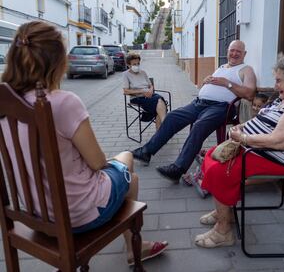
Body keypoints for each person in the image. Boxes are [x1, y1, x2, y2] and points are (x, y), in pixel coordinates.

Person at [0, 21, 168, 265]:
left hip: (34, 211)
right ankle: (134, 247)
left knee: (123, 163)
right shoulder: (62, 102)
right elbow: (98, 162)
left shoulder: (5, 105)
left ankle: (132, 244)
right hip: (77, 215)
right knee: (128, 165)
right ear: (58, 62)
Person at [194, 55, 284, 248]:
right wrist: (241, 128)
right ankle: (224, 211)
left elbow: (280, 141)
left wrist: (244, 139)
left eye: (279, 80)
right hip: (262, 151)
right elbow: (261, 121)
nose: (275, 85)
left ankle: (223, 232)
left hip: (282, 159)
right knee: (212, 155)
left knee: (220, 170)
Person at [132, 40, 257, 182]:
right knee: (172, 117)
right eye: (232, 50)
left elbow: (249, 93)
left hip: (221, 107)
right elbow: (214, 84)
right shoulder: (222, 67)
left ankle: (178, 168)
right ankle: (146, 152)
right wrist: (206, 81)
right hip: (198, 104)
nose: (234, 54)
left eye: (238, 52)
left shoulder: (246, 70)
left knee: (199, 125)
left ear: (244, 54)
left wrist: (226, 83)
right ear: (227, 51)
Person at [123, 52, 167, 129]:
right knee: (159, 102)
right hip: (137, 98)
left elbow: (151, 85)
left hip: (150, 95)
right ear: (128, 65)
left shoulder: (143, 73)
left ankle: (162, 127)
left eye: (138, 63)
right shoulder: (126, 75)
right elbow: (126, 91)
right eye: (134, 64)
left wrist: (150, 90)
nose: (136, 66)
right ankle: (165, 125)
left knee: (159, 99)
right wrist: (142, 91)